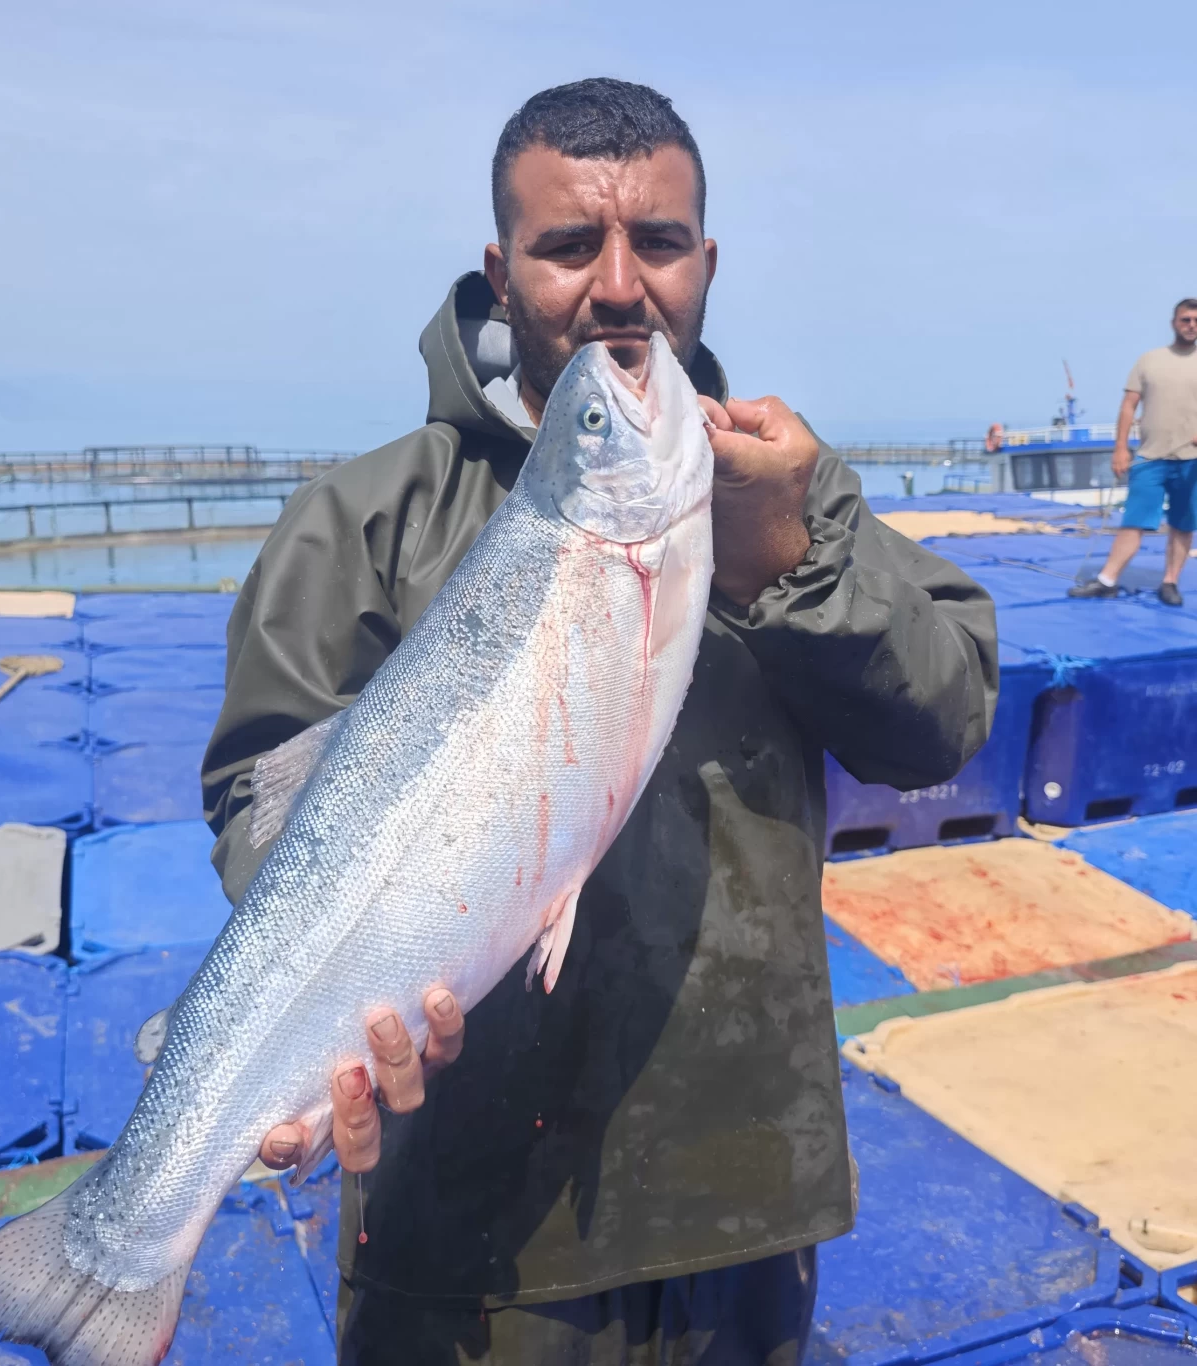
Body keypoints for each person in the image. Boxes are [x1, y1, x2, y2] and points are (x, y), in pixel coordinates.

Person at [202, 78, 998, 1365]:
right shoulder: (367, 518)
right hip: (459, 1239)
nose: (619, 285)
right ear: (499, 267)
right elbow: (261, 793)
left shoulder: (786, 482)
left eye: (660, 243)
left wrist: (787, 559)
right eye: (569, 245)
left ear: (707, 262)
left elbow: (943, 722)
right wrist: (342, 1002)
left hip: (744, 1203)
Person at [1069, 298, 1197, 606]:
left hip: (1192, 461)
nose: (1191, 325)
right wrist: (1120, 449)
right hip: (1150, 457)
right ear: (1174, 323)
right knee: (1134, 520)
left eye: (1196, 320)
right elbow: (1128, 406)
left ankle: (1170, 582)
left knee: (1183, 524)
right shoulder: (1149, 360)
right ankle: (1107, 580)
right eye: (1185, 320)